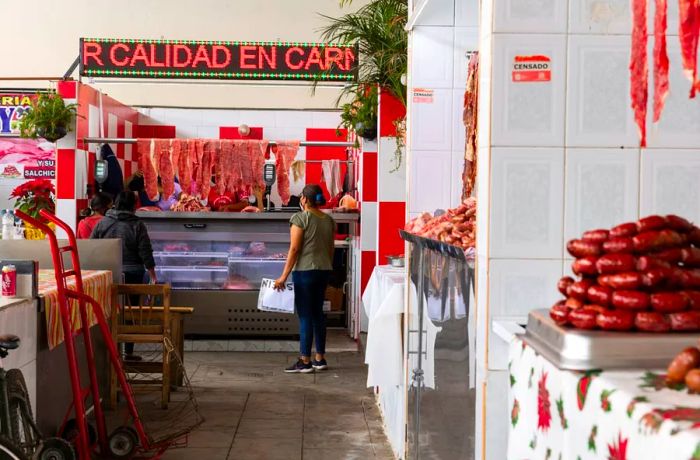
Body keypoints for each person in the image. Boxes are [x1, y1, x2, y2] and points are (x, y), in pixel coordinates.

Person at [274, 184, 335, 373]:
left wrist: (283, 276)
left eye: (301, 197)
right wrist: (326, 266)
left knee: (306, 316)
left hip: (305, 272)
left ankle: (305, 360)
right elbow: (331, 248)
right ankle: (320, 358)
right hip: (323, 270)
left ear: (305, 200)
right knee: (318, 314)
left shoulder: (300, 218)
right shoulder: (328, 220)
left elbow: (294, 249)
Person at [91, 191, 157, 360]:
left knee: (107, 311)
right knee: (130, 312)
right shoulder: (137, 225)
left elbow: (91, 248)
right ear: (134, 206)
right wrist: (152, 274)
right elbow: (145, 251)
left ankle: (107, 351)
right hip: (133, 273)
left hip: (107, 274)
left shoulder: (102, 223)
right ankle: (128, 352)